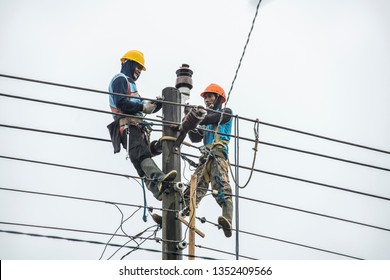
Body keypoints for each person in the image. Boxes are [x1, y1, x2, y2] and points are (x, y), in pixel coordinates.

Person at [107, 50, 177, 201]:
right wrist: (143, 107)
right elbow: (121, 103)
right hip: (127, 127)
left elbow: (139, 107)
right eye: (137, 66)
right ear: (127, 63)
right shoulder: (120, 80)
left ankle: (159, 191)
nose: (138, 71)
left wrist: (155, 105)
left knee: (140, 161)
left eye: (141, 68)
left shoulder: (132, 87)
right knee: (141, 155)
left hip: (137, 128)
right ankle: (159, 179)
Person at [183, 83, 234, 238]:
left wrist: (196, 118)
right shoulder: (205, 119)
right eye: (205, 97)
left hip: (218, 154)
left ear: (219, 98)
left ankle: (227, 219)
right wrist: (189, 121)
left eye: (210, 96)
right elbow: (194, 137)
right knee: (194, 186)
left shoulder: (225, 112)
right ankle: (178, 210)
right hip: (205, 158)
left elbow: (213, 118)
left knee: (220, 184)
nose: (206, 100)